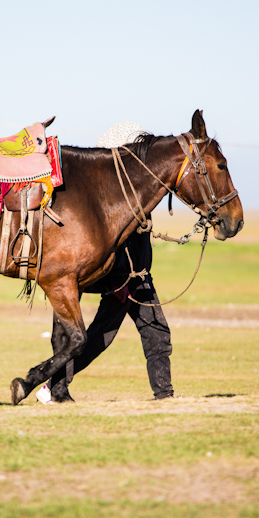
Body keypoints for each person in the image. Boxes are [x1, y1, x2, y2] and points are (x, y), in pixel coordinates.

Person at [36, 122, 174, 403]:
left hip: (138, 278)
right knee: (97, 338)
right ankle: (52, 386)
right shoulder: (116, 197)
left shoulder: (136, 194)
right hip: (123, 280)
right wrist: (119, 282)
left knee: (156, 333)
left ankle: (165, 395)